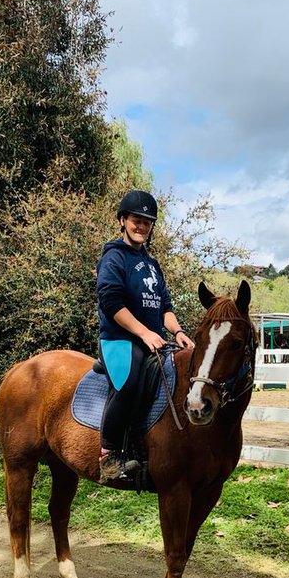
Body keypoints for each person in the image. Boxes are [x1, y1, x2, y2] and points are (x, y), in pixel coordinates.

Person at [96, 189, 194, 481]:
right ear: (122, 221)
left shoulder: (152, 265)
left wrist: (176, 331)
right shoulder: (114, 258)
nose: (141, 226)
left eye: (147, 222)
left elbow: (164, 306)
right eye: (136, 220)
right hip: (119, 340)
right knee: (130, 383)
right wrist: (144, 332)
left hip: (154, 339)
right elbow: (111, 302)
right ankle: (109, 455)